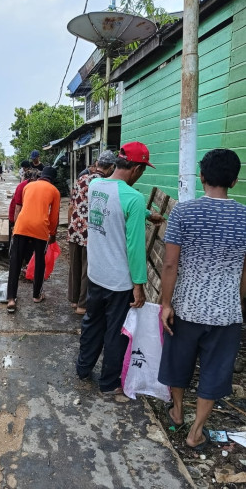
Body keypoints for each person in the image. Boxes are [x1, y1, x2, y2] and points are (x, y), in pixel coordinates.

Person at [158, 148, 246, 451]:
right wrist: (239, 302)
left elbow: (170, 264)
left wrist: (166, 304)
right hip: (227, 313)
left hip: (186, 307)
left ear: (202, 176)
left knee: (179, 363)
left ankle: (178, 412)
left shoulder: (183, 211)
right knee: (216, 370)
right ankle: (197, 431)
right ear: (234, 181)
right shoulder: (244, 216)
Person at [75, 141, 157, 394]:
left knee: (92, 322)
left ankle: (82, 368)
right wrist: (139, 286)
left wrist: (144, 213)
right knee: (115, 333)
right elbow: (134, 249)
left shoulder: (96, 185)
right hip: (119, 281)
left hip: (96, 274)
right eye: (142, 170)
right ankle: (108, 383)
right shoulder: (134, 197)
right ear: (136, 169)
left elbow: (112, 209)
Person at [68, 150, 117, 316]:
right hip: (91, 232)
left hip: (75, 228)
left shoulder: (81, 179)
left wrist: (71, 225)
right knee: (87, 269)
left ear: (97, 163)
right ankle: (82, 305)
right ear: (111, 167)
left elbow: (71, 205)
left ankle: (74, 300)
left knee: (75, 266)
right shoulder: (106, 183)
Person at [6, 166, 60, 312]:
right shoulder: (54, 191)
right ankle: (36, 295)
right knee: (39, 261)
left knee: (15, 261)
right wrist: (52, 235)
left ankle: (11, 298)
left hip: (21, 226)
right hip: (40, 228)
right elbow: (54, 217)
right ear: (53, 179)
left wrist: (15, 229)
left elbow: (24, 207)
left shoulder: (28, 186)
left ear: (41, 175)